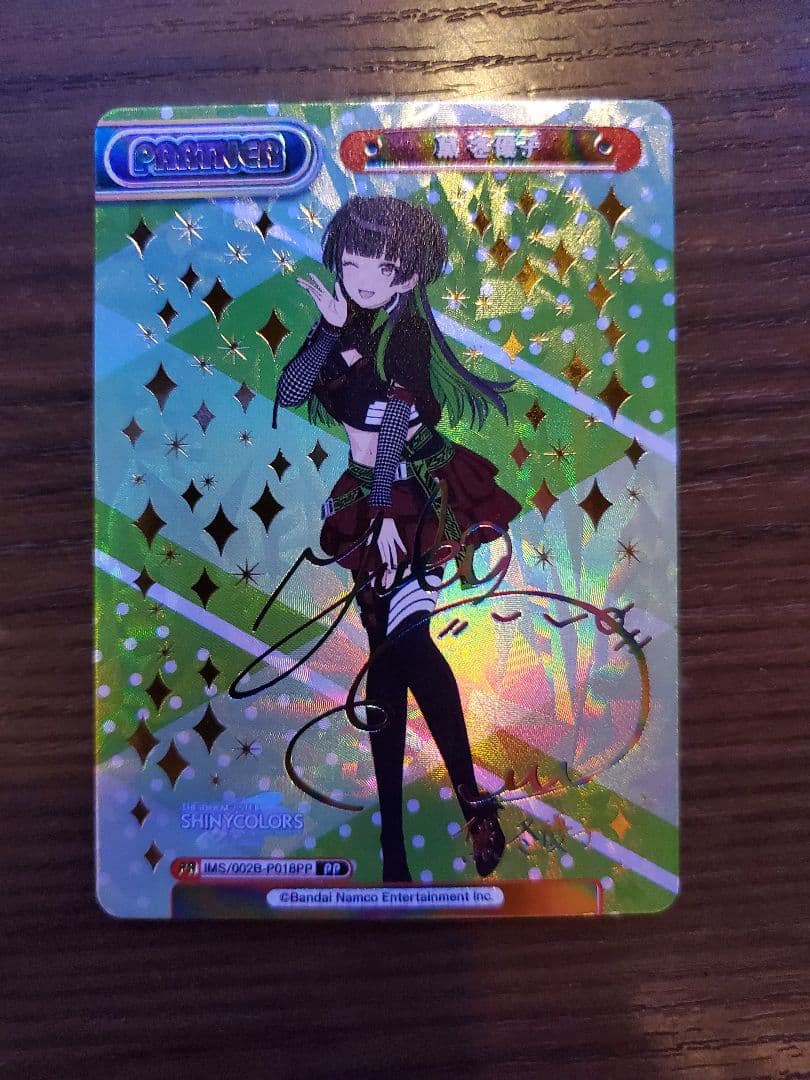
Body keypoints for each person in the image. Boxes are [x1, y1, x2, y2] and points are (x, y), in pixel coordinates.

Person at [274, 195, 521, 882]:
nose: (361, 280)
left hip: (411, 496)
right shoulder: (344, 317)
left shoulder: (406, 338)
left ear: (408, 277)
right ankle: (398, 848)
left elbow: (390, 429)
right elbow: (291, 391)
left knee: (405, 646)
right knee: (388, 662)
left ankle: (463, 807)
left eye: (379, 269)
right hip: (365, 498)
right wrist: (328, 331)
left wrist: (385, 514)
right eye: (352, 264)